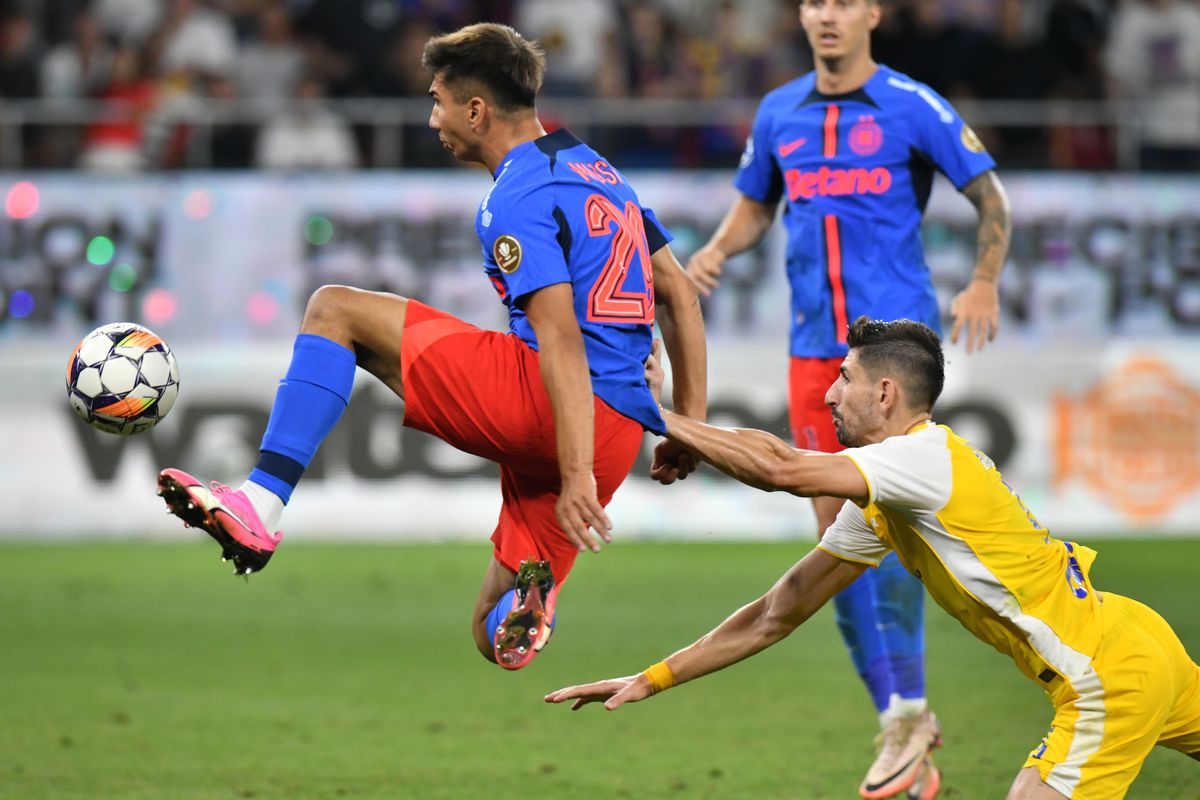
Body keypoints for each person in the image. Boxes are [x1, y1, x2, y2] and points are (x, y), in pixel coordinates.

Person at [156, 22, 707, 672]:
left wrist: (575, 468)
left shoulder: (517, 196)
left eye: (438, 100)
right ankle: (528, 601)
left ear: (477, 110)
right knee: (488, 631)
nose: (432, 117)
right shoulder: (602, 172)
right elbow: (679, 292)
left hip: (553, 408)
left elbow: (557, 335)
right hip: (619, 430)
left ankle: (261, 502)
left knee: (334, 311)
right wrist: (689, 426)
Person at [547, 316, 1200, 800]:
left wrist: (651, 413)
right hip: (1138, 640)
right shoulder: (890, 501)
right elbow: (776, 613)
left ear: (885, 394)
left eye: (844, 379)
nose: (828, 395)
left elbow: (780, 468)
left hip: (1105, 679)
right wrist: (655, 676)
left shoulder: (925, 460)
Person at [684, 1, 1011, 795]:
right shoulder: (778, 111)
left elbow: (991, 198)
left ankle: (913, 704)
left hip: (890, 354)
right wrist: (719, 248)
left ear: (873, 12)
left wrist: (983, 280)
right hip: (810, 353)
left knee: (889, 532)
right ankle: (901, 723)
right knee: (833, 549)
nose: (828, 16)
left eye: (844, 1)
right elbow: (758, 202)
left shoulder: (912, 104)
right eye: (814, 2)